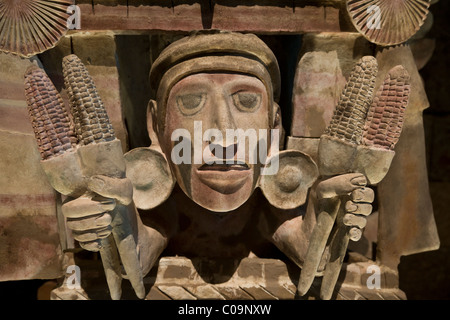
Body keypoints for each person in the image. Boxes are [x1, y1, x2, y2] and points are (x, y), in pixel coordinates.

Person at [61, 31, 373, 298]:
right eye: (191, 102)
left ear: (274, 126)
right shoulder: (168, 209)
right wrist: (113, 219)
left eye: (247, 102)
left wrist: (326, 216)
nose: (224, 136)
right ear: (156, 126)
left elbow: (310, 254)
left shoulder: (267, 209)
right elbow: (137, 258)